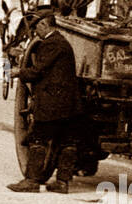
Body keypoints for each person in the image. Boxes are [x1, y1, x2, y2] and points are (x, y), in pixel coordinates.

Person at [8, 14, 82, 193]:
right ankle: (62, 182)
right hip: (69, 104)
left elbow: (37, 71)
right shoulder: (62, 42)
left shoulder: (52, 43)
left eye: (37, 27)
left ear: (44, 25)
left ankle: (32, 181)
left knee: (38, 138)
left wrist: (18, 72)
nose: (35, 31)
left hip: (52, 102)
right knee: (67, 141)